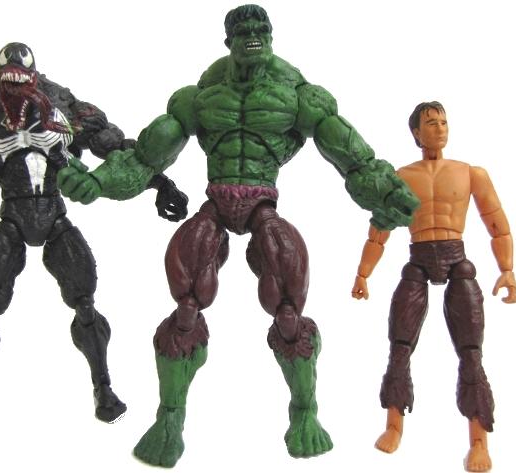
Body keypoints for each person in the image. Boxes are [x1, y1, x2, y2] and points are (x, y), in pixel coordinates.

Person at [59, 5, 418, 467]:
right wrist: (98, 182)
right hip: (216, 197)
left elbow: (353, 157)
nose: (253, 34)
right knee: (186, 306)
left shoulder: (299, 97)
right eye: (243, 29)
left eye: (260, 28)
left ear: (271, 35)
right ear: (227, 40)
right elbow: (147, 158)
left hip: (263, 203)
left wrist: (385, 192)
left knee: (288, 310)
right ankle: (169, 419)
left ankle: (305, 413)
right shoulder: (200, 98)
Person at [0, 42, 188, 443]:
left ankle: (104, 388)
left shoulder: (65, 110)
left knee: (85, 303)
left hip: (54, 213)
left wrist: (160, 182)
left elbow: (121, 152)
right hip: (13, 217)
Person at [351, 101, 516, 472]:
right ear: (416, 132)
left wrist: (507, 269)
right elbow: (380, 229)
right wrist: (364, 273)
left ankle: (479, 441)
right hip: (418, 257)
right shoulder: (401, 177)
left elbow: (497, 222)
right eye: (431, 122)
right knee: (400, 344)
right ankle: (394, 425)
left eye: (444, 121)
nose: (440, 128)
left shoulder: (470, 173)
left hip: (457, 257)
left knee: (471, 350)